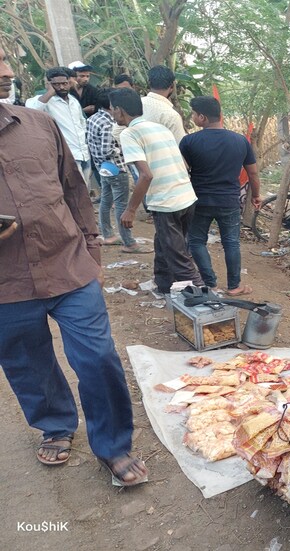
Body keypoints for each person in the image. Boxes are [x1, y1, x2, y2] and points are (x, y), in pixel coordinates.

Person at [0, 48, 148, 486]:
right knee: (28, 362)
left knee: (98, 358)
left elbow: (74, 190)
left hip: (68, 264)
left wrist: (91, 249)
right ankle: (56, 424)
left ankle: (114, 444)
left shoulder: (38, 124)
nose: (7, 71)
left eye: (6, 62)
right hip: (6, 284)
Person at [110, 88, 204, 294]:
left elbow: (146, 175)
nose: (111, 114)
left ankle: (208, 302)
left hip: (166, 203)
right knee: (164, 244)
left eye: (112, 109)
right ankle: (163, 286)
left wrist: (131, 210)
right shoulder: (160, 128)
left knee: (179, 259)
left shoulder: (130, 133)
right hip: (186, 197)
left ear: (119, 110)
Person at [179, 96, 261, 296]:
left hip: (199, 201)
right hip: (229, 201)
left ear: (202, 117)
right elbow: (253, 173)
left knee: (196, 241)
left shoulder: (189, 141)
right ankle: (234, 286)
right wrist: (256, 196)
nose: (192, 118)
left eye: (193, 114)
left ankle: (210, 284)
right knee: (231, 242)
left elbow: (182, 171)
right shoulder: (240, 141)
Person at [87, 87, 150, 253]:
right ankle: (129, 242)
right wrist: (124, 150)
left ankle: (108, 234)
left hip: (102, 167)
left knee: (106, 201)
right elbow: (107, 149)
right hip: (116, 167)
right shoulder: (108, 123)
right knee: (122, 205)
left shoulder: (93, 119)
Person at [25, 66, 93, 190]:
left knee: (85, 190)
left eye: (64, 83)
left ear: (69, 82)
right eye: (57, 84)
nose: (61, 87)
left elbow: (82, 123)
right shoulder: (43, 101)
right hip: (67, 155)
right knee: (74, 192)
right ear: (49, 84)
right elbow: (31, 112)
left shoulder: (73, 101)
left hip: (83, 153)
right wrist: (50, 92)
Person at [141, 65, 186, 143]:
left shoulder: (135, 103)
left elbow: (117, 131)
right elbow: (181, 147)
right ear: (172, 86)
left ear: (149, 83)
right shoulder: (172, 116)